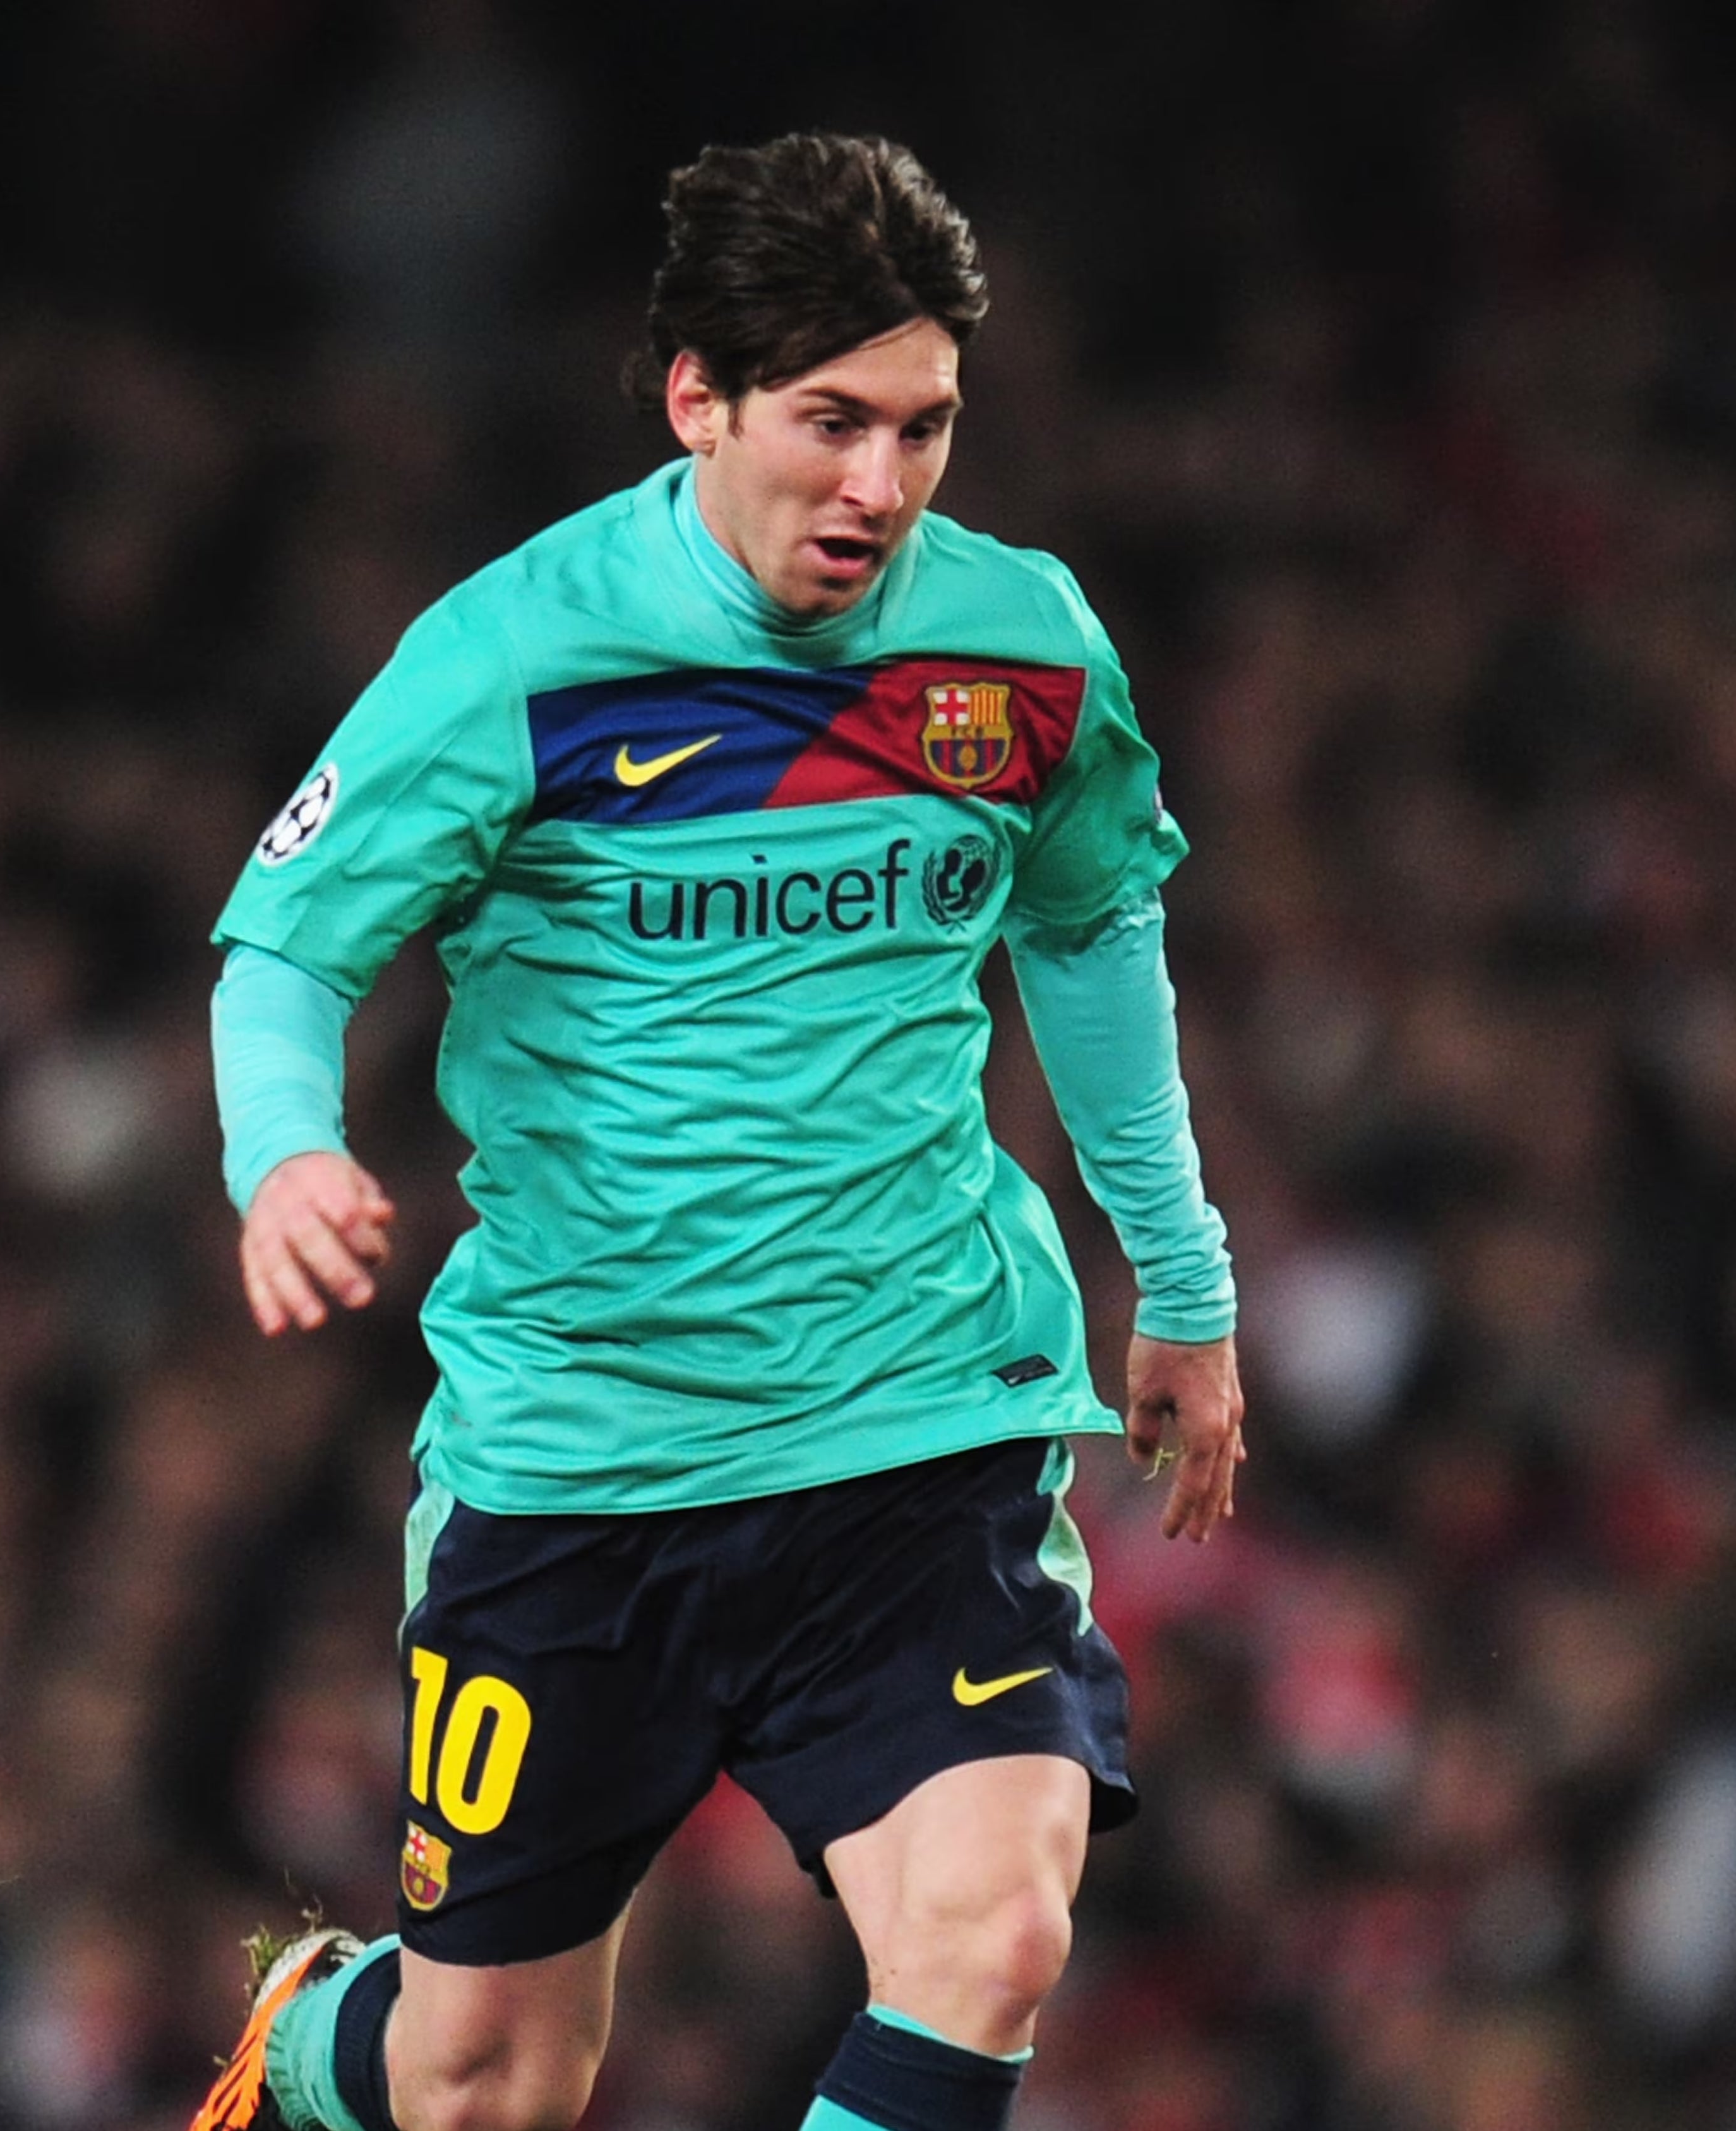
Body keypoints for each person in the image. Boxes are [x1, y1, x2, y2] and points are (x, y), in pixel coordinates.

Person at [192, 131, 1245, 2131]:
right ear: (701, 400)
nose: (882, 485)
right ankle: (320, 2030)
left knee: (996, 1935)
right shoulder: (518, 650)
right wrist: (286, 1156)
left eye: (925, 427)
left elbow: (1093, 931)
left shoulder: (1021, 645)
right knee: (485, 2086)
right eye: (833, 422)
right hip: (588, 1461)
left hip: (914, 1425)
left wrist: (1182, 1281)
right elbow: (285, 954)